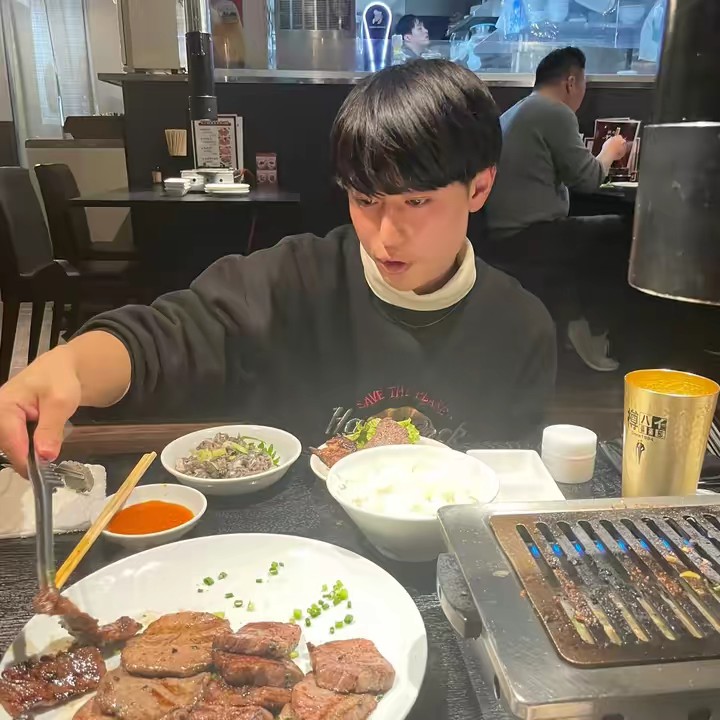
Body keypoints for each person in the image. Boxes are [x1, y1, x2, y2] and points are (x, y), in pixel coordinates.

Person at [0, 60, 556, 475]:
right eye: (365, 200)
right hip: (292, 557)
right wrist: (70, 366)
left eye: (416, 202)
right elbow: (166, 336)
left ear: (479, 187)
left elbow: (509, 482)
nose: (386, 235)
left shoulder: (519, 328)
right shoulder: (293, 280)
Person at [484, 47, 630, 372]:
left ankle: (572, 319)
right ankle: (591, 329)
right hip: (529, 235)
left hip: (501, 234)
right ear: (571, 82)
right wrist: (611, 150)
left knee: (585, 231)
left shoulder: (516, 111)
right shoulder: (554, 111)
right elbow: (589, 179)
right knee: (623, 231)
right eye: (583, 84)